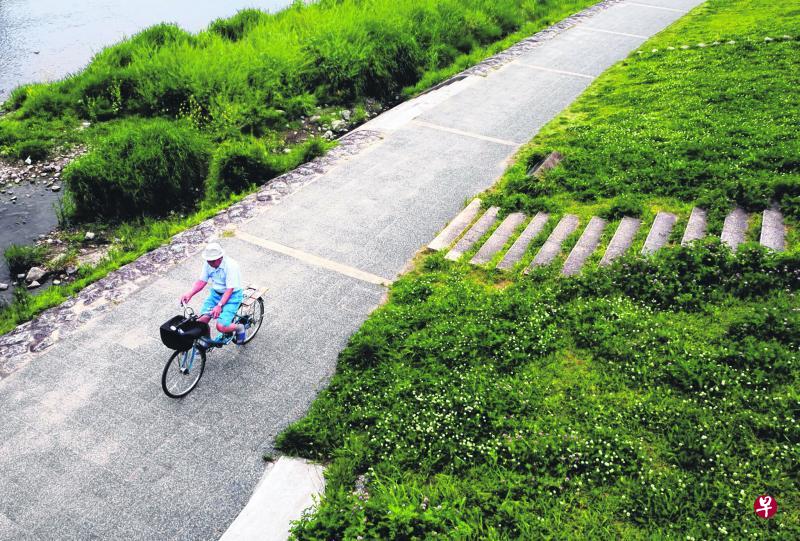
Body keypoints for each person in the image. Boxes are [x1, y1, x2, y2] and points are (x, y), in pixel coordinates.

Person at [180, 242, 246, 344]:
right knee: (201, 322)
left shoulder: (231, 266)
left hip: (232, 296)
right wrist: (190, 293)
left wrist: (219, 305)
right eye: (208, 260)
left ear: (220, 257)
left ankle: (239, 327)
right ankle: (207, 342)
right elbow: (202, 281)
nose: (210, 263)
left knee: (221, 326)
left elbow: (230, 289)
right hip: (215, 295)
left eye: (212, 261)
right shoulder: (208, 264)